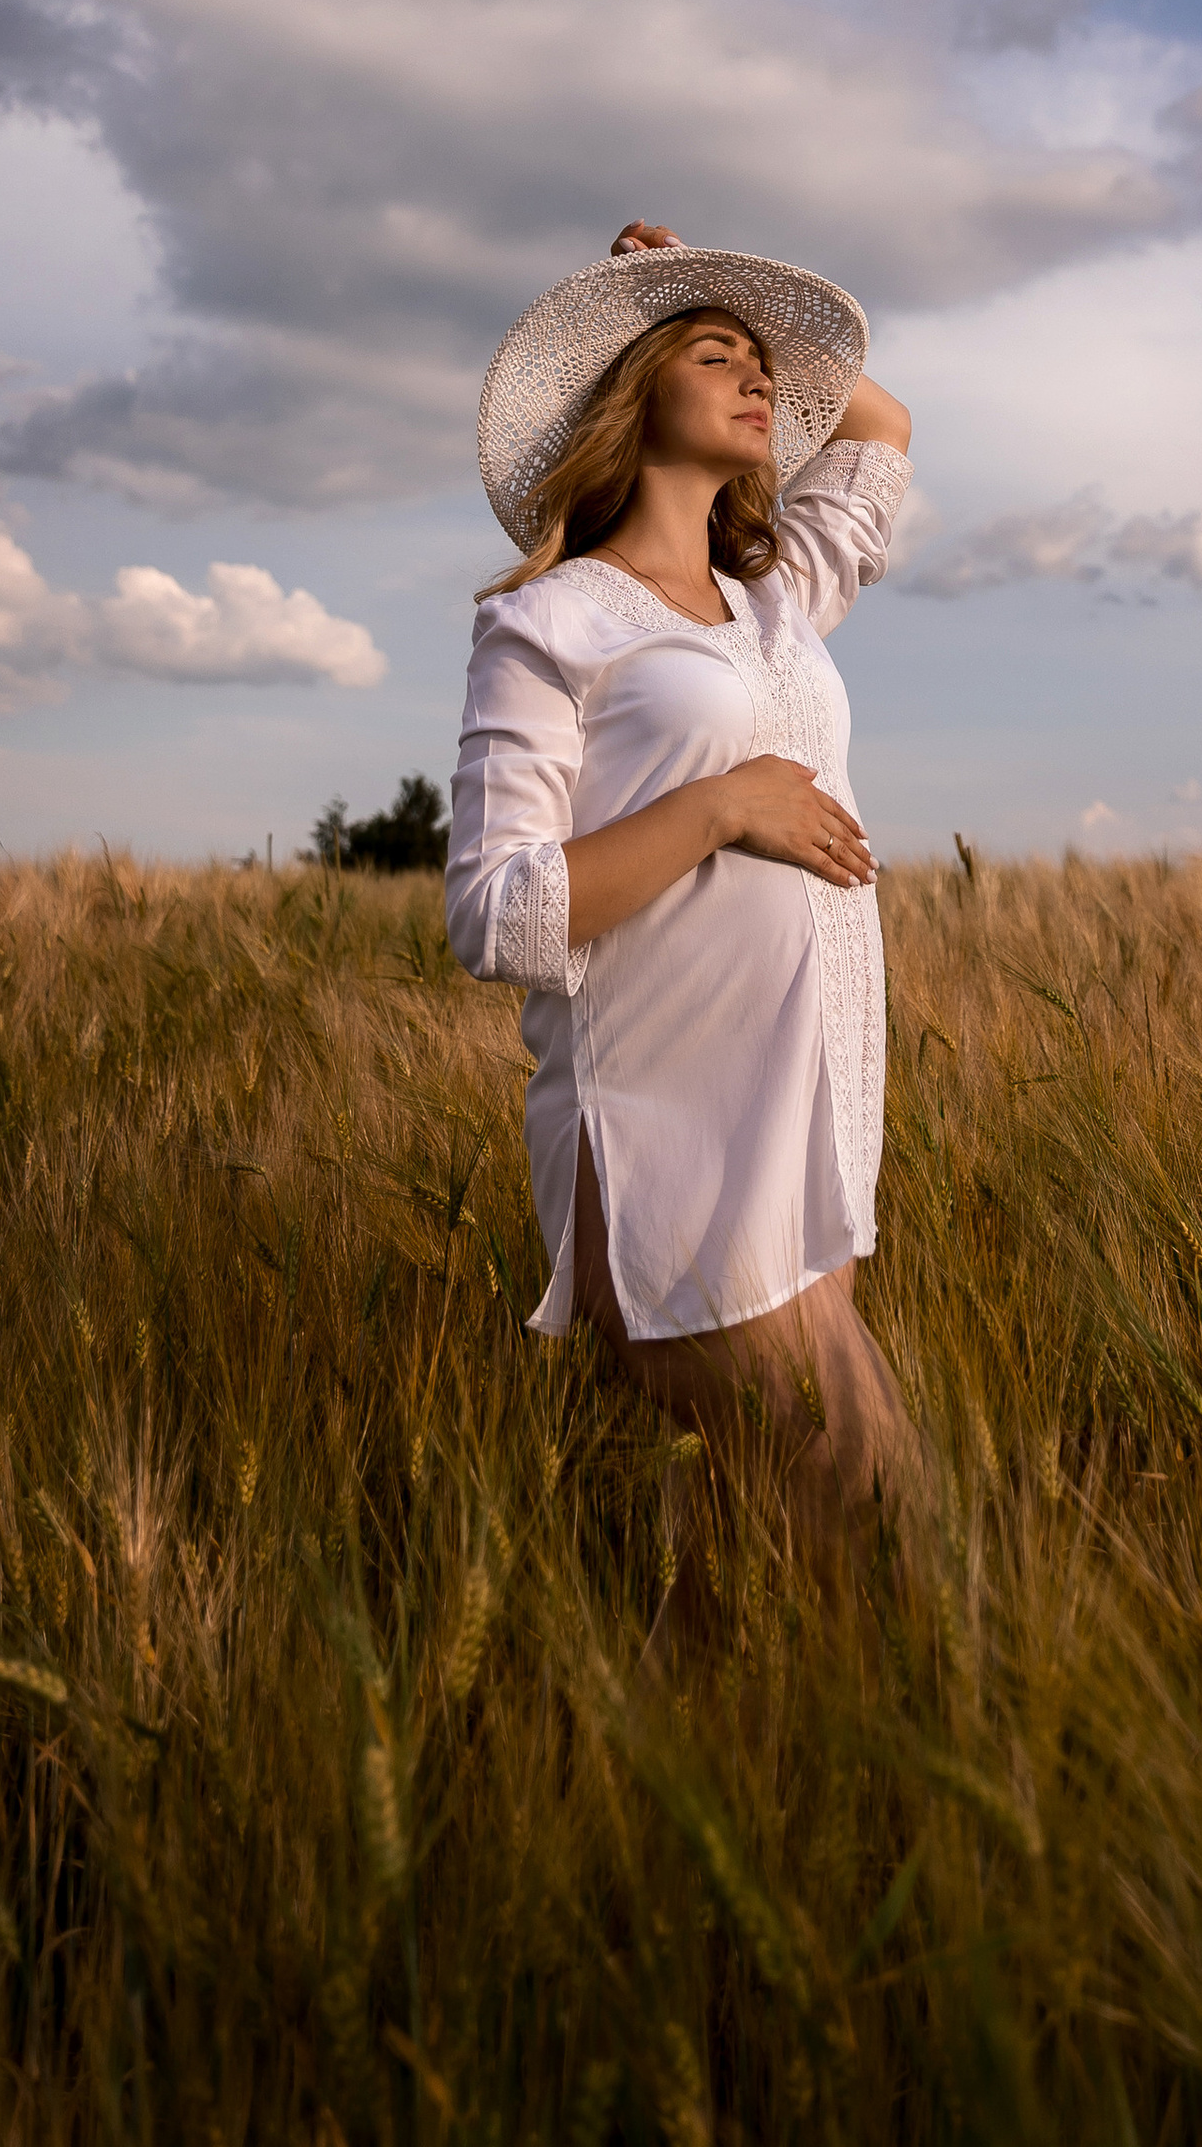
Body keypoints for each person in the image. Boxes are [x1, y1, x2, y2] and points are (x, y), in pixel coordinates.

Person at [446, 220, 925, 1575]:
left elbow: (881, 419)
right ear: (631, 392)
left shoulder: (775, 602)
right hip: (668, 1141)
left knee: (783, 1555)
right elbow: (497, 913)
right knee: (853, 1510)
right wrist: (722, 807)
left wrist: (708, 263)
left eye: (764, 363)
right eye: (714, 353)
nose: (761, 375)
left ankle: (635, 1788)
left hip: (805, 1125)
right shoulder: (549, 623)